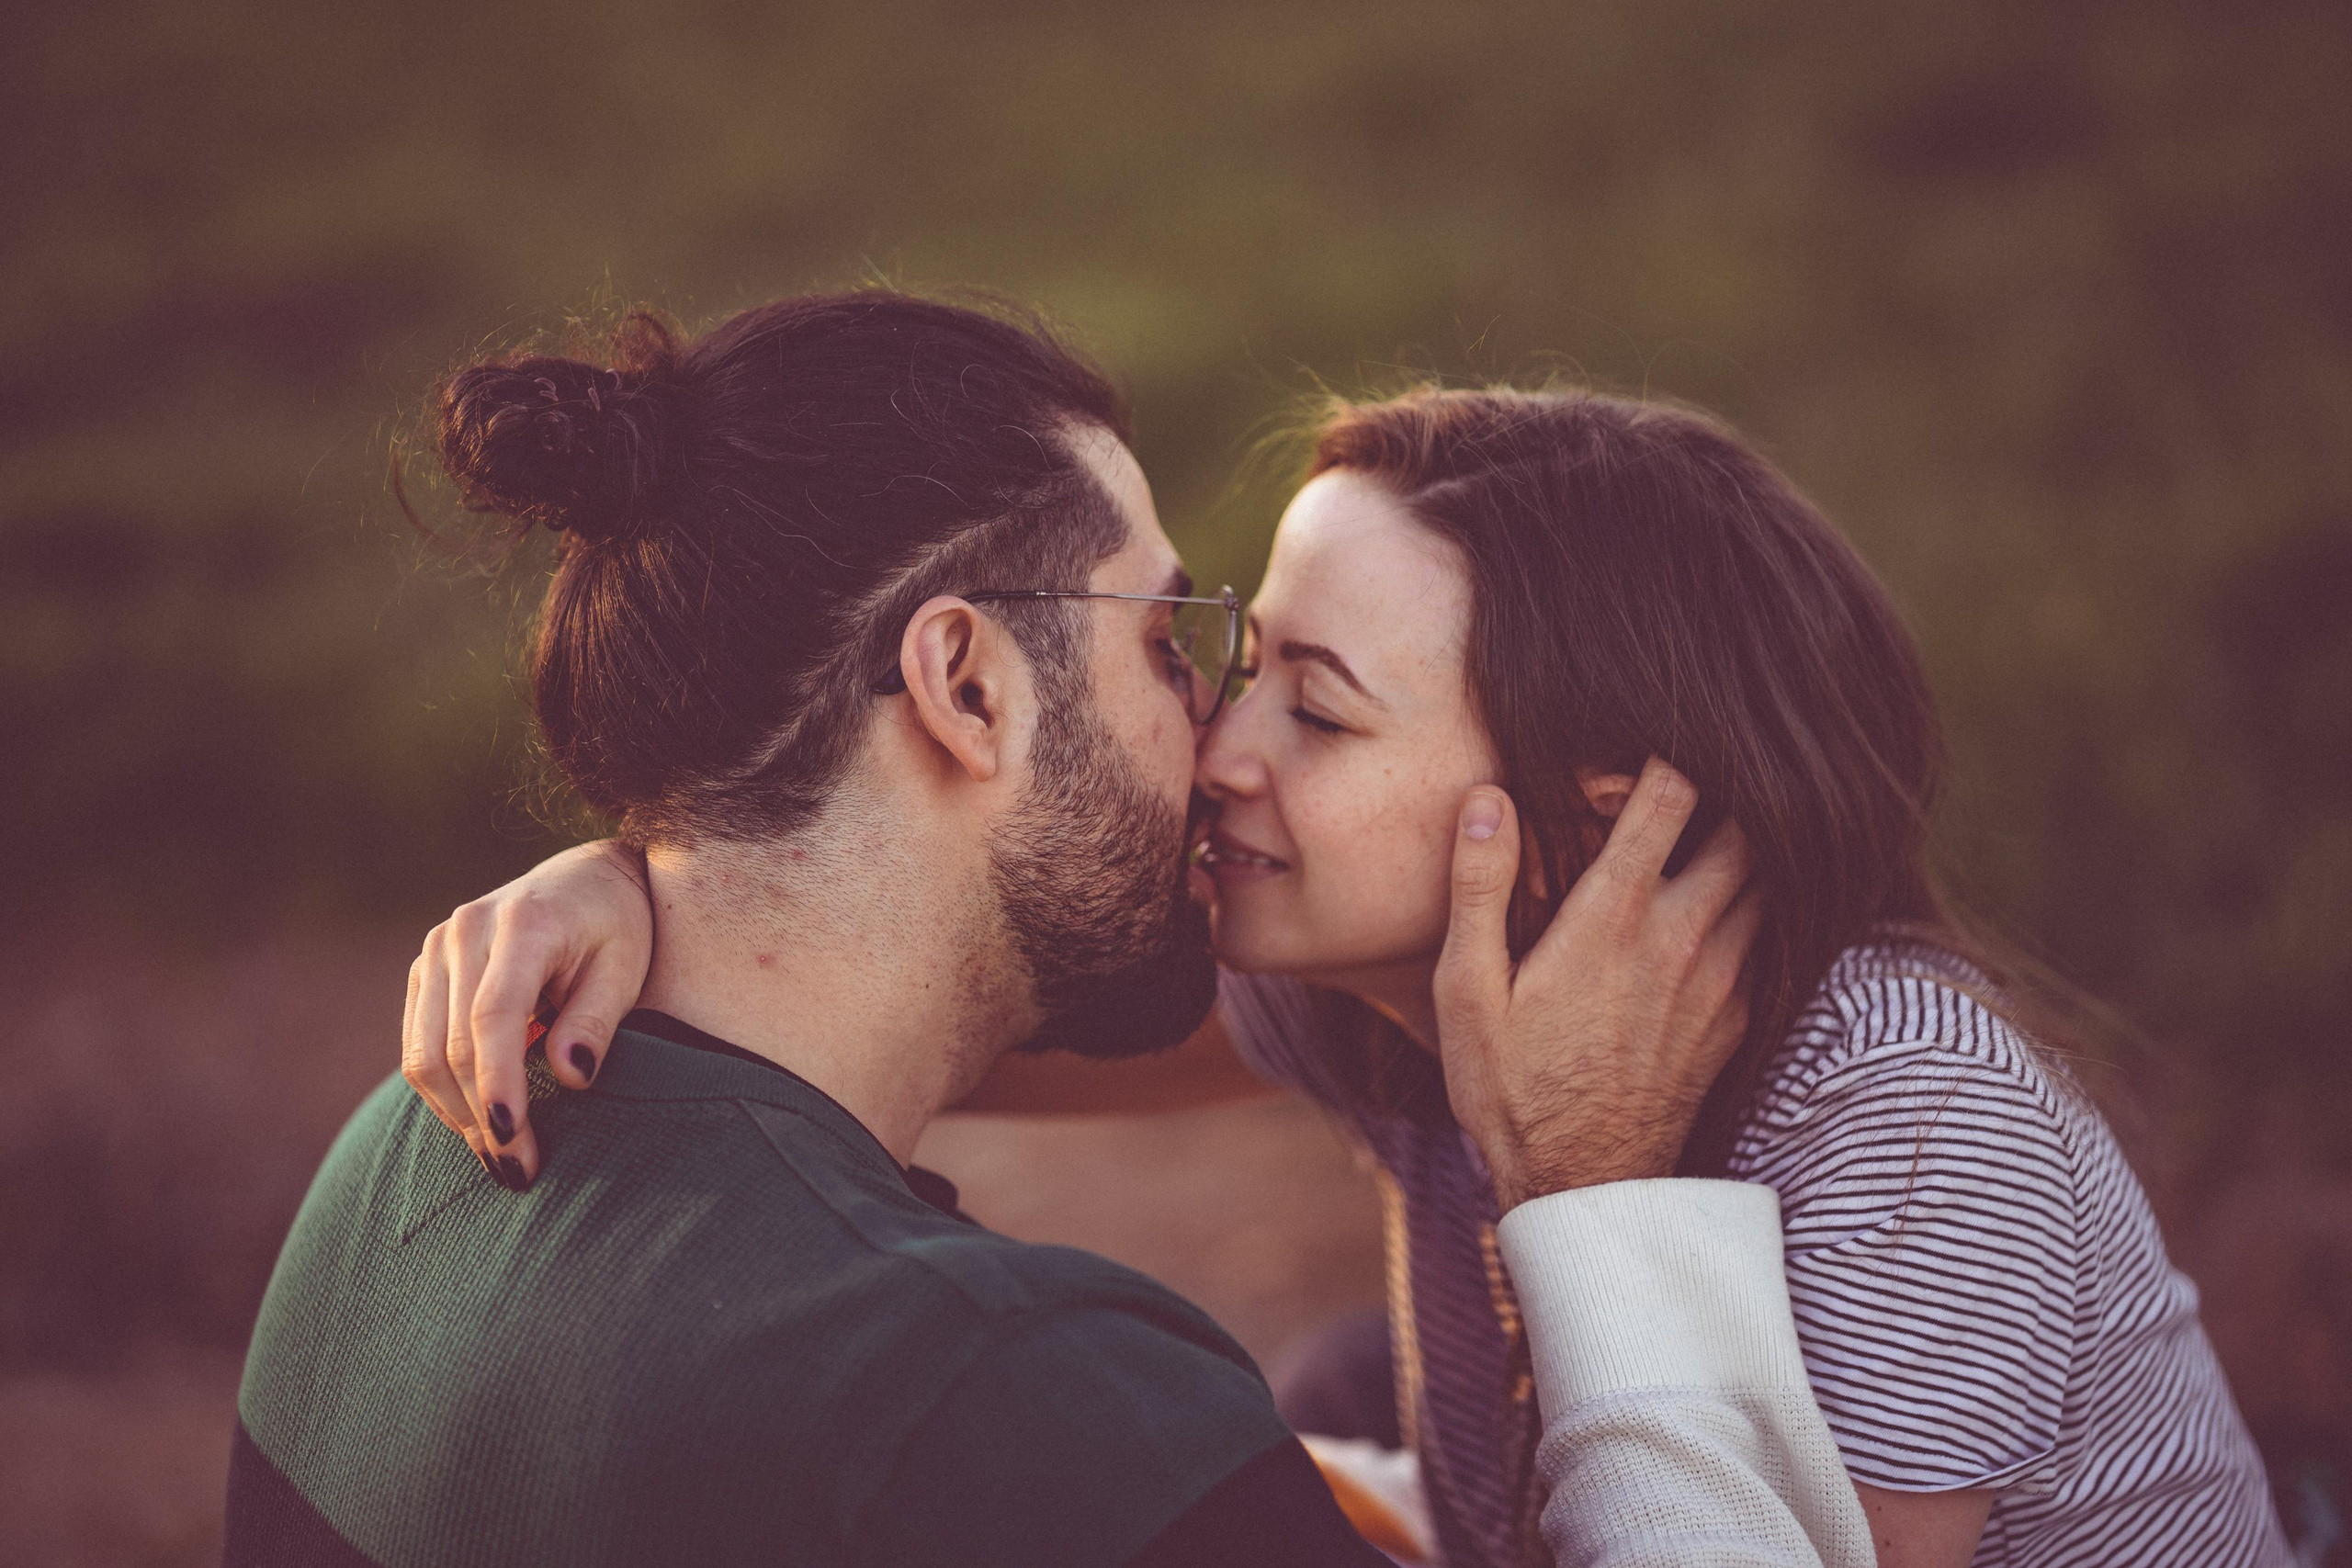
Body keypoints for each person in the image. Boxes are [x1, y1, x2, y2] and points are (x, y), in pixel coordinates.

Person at [426, 380, 2293, 1566]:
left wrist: (1595, 1194)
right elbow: (947, 992)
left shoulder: (1899, 1120)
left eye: (1313, 707)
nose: (1217, 746)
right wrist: (669, 874)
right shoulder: (1368, 978)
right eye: (1244, 661)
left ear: (1592, 816)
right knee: (1323, 1395)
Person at [233, 291, 1875, 1568]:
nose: (1219, 735)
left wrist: (655, 871)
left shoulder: (408, 1143)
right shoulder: (1018, 1402)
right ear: (966, 686)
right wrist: (1597, 1207)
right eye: (1175, 641)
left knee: (1351, 1382)